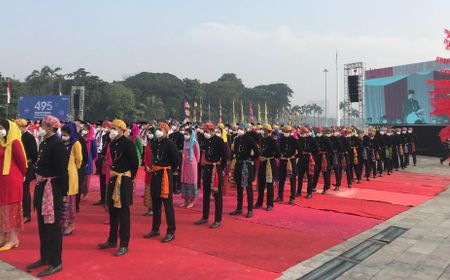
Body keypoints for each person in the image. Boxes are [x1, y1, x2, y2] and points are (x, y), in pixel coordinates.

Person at [26, 115, 68, 277]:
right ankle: (44, 257)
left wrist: (64, 193)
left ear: (51, 128)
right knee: (43, 227)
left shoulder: (57, 145)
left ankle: (55, 262)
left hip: (53, 189)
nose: (40, 127)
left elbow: (62, 171)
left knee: (53, 228)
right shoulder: (45, 142)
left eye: (43, 125)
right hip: (41, 186)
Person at [97, 119, 138, 256]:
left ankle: (124, 244)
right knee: (113, 211)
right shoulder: (112, 142)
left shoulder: (128, 144)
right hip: (114, 177)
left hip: (124, 179)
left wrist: (130, 178)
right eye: (112, 128)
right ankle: (112, 239)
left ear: (121, 130)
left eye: (115, 128)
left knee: (123, 212)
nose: (112, 131)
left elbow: (135, 163)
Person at [143, 122, 179, 242]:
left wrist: (169, 170)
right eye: (157, 129)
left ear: (166, 131)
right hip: (155, 173)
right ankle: (155, 228)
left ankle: (171, 231)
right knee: (156, 202)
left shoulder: (170, 144)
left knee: (167, 204)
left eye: (160, 129)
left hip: (165, 174)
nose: (158, 131)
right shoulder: (154, 143)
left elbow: (176, 160)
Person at [0, 120, 27, 251]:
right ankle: (3, 237)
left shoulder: (15, 143)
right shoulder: (1, 142)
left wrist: (22, 176)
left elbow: (22, 162)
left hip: (12, 180)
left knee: (12, 209)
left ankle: (13, 239)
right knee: (2, 209)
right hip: (1, 180)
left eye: (1, 128)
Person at [195, 123, 228, 229]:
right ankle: (205, 216)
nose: (205, 133)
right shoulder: (205, 140)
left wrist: (220, 168)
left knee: (217, 195)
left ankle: (218, 219)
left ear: (212, 130)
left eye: (207, 131)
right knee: (206, 193)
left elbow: (225, 157)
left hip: (216, 168)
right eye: (204, 131)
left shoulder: (219, 141)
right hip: (207, 168)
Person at [229, 125, 259, 217]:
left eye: (241, 129)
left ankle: (250, 210)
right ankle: (239, 208)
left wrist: (251, 159)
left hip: (247, 165)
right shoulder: (236, 139)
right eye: (238, 129)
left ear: (245, 130)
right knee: (239, 187)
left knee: (248, 187)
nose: (239, 131)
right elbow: (234, 152)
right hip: (238, 164)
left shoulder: (249, 139)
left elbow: (257, 152)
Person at [60, 123, 83, 236]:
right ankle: (62, 223)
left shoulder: (76, 144)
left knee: (69, 202)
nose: (64, 135)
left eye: (66, 133)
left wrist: (72, 168)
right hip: (60, 175)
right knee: (61, 201)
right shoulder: (61, 143)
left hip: (70, 175)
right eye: (62, 133)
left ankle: (70, 225)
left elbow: (79, 160)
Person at [16, 119, 38, 223]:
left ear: (25, 127)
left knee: (25, 190)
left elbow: (34, 154)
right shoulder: (16, 136)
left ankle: (27, 214)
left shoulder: (29, 137)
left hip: (27, 166)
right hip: (17, 166)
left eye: (21, 126)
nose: (19, 128)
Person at [255, 124, 279, 210]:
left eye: (263, 129)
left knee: (269, 185)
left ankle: (270, 204)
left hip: (269, 164)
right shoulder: (261, 139)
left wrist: (268, 157)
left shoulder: (272, 141)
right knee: (261, 184)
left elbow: (278, 153)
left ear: (267, 131)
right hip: (262, 164)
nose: (262, 131)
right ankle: (259, 202)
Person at [276, 125, 299, 204]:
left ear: (290, 132)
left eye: (287, 131)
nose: (285, 133)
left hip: (291, 162)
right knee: (281, 179)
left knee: (292, 180)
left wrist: (293, 157)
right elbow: (278, 149)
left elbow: (300, 152)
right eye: (284, 131)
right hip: (283, 161)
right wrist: (280, 155)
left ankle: (292, 197)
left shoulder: (294, 140)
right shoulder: (281, 139)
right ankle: (280, 196)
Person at [180, 128, 200, 208]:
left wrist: (193, 162)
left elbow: (197, 155)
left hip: (192, 164)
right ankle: (186, 200)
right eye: (185, 134)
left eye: (187, 134)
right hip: (184, 164)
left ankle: (192, 201)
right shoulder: (185, 142)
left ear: (191, 135)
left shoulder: (194, 143)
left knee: (192, 182)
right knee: (184, 182)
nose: (185, 135)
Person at [93, 121, 111, 206]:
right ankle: (103, 198)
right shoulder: (104, 136)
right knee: (102, 179)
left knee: (108, 181)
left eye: (106, 126)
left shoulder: (112, 137)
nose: (104, 128)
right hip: (102, 159)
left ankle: (108, 200)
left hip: (109, 162)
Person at [296, 126, 318, 198]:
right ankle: (298, 191)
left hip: (309, 159)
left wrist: (311, 155)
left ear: (307, 132)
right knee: (300, 177)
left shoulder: (312, 139)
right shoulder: (299, 139)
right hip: (301, 159)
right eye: (301, 132)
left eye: (303, 133)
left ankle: (309, 193)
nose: (302, 134)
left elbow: (316, 149)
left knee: (310, 177)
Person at [80, 125, 97, 202]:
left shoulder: (92, 140)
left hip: (88, 161)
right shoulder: (80, 139)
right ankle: (79, 193)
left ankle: (85, 194)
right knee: (80, 179)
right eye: (83, 129)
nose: (83, 131)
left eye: (85, 129)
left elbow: (95, 153)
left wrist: (90, 159)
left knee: (86, 180)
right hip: (80, 160)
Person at [313, 127, 333, 194]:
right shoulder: (315, 139)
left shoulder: (326, 139)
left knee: (325, 172)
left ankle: (326, 187)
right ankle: (313, 186)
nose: (318, 132)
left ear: (322, 131)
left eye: (320, 131)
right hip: (317, 157)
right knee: (316, 172)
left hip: (324, 157)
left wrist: (326, 154)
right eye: (317, 131)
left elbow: (330, 149)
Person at [143, 127, 156, 216]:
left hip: (154, 171)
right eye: (148, 133)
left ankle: (153, 209)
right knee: (148, 189)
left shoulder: (156, 145)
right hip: (148, 170)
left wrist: (153, 167)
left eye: (150, 133)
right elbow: (145, 156)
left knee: (154, 189)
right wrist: (146, 165)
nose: (149, 134)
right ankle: (149, 208)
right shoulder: (149, 144)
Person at [168, 121, 184, 194]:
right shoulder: (170, 135)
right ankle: (172, 187)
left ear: (178, 126)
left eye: (174, 125)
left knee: (178, 171)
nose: (173, 126)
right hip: (171, 155)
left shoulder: (181, 135)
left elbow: (182, 146)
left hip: (178, 154)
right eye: (172, 125)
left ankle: (178, 187)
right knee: (171, 171)